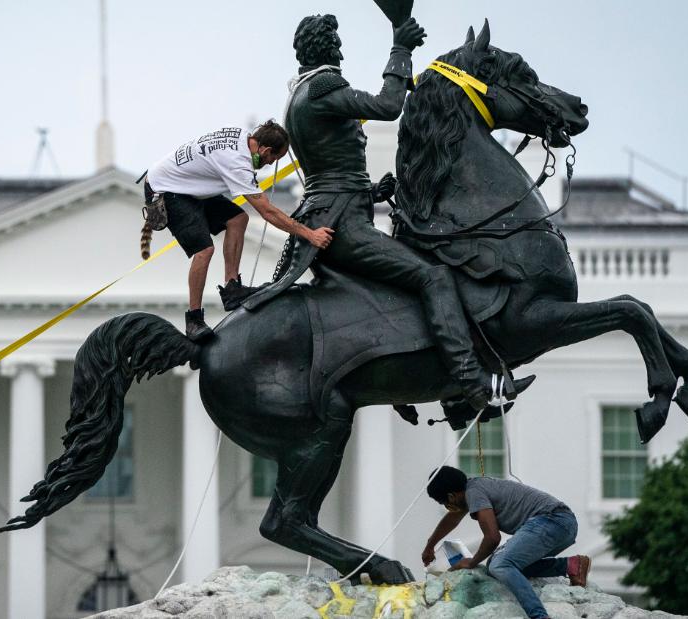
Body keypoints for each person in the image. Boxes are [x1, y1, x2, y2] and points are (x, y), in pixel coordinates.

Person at [239, 13, 510, 411]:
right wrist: (400, 49)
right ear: (325, 47)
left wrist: (370, 191)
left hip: (333, 211)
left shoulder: (296, 95)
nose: (341, 48)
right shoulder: (323, 87)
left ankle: (428, 383)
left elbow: (328, 171)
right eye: (336, 41)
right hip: (342, 226)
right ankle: (471, 384)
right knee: (433, 276)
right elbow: (386, 106)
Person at [144, 121, 333, 341]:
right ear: (265, 150)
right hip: (166, 190)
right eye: (274, 159)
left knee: (238, 218)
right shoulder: (237, 163)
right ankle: (193, 320)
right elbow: (267, 212)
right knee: (204, 250)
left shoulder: (243, 136)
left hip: (187, 185)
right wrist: (311, 234)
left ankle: (232, 288)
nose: (271, 164)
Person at [424, 466, 592, 619]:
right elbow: (451, 520)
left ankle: (539, 616)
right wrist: (430, 546)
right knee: (500, 567)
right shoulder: (473, 490)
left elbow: (492, 538)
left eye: (444, 503)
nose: (448, 507)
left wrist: (471, 562)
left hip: (551, 520)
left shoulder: (474, 493)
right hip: (562, 524)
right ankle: (571, 565)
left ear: (451, 496)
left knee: (500, 565)